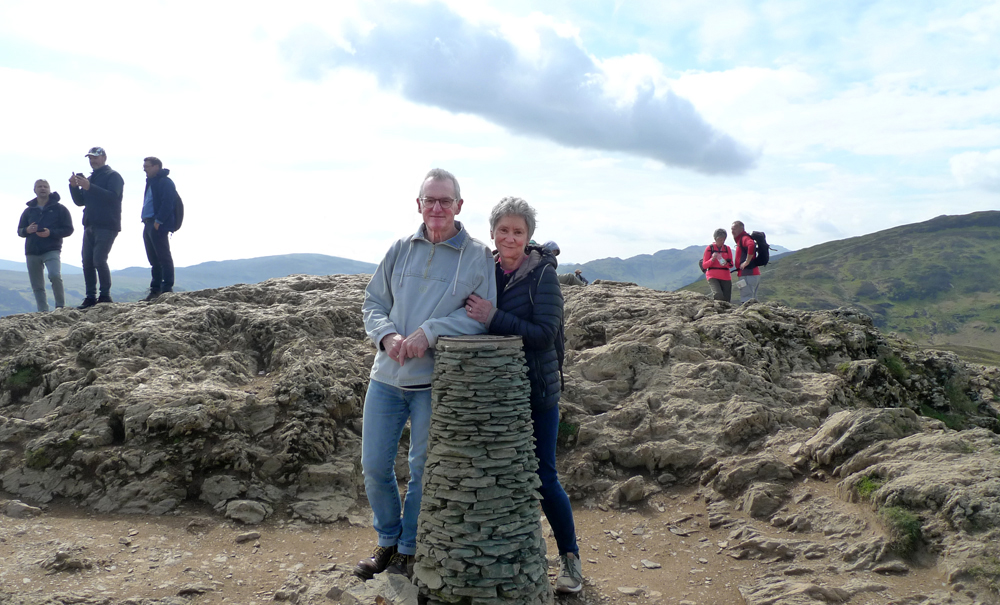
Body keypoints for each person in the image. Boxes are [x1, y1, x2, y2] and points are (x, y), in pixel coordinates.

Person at [354, 168, 497, 580]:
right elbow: (373, 302)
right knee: (375, 466)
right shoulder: (400, 249)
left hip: (433, 382)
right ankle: (387, 540)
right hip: (385, 376)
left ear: (459, 205)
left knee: (422, 469)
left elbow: (479, 317)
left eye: (445, 201)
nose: (437, 208)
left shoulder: (476, 255)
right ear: (418, 204)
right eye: (429, 200)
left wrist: (430, 332)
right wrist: (386, 336)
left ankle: (409, 548)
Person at [465, 197, 585, 594]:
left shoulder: (542, 276)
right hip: (496, 395)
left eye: (518, 231)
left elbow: (544, 335)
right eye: (504, 230)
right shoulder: (486, 270)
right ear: (493, 233)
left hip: (537, 391)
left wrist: (493, 317)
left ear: (528, 236)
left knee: (544, 475)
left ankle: (570, 559)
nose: (510, 237)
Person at [69, 146, 123, 308]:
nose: (93, 161)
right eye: (90, 158)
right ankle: (90, 297)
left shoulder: (113, 176)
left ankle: (105, 296)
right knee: (87, 262)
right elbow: (80, 202)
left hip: (107, 225)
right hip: (90, 224)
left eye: (95, 157)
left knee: (99, 259)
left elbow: (113, 197)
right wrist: (74, 187)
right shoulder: (91, 179)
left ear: (104, 157)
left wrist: (89, 187)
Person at [17, 180, 74, 311]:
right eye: (39, 186)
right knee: (37, 284)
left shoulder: (60, 209)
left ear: (49, 189)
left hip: (52, 248)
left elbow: (69, 229)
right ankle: (43, 311)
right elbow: (20, 230)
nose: (42, 189)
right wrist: (27, 230)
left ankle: (60, 307)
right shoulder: (28, 211)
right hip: (32, 250)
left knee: (54, 275)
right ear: (34, 190)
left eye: (45, 186)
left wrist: (51, 233)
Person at [140, 157, 178, 301]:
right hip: (148, 222)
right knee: (153, 259)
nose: (145, 169)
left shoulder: (165, 182)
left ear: (157, 167)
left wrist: (159, 221)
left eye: (147, 166)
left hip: (157, 224)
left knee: (163, 257)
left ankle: (167, 289)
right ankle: (155, 290)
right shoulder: (151, 182)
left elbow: (168, 202)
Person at [732, 220, 761, 303]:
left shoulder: (744, 238)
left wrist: (747, 261)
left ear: (741, 229)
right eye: (732, 229)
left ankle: (748, 315)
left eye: (735, 229)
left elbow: (751, 245)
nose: (732, 231)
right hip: (751, 274)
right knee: (752, 298)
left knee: (746, 298)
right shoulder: (741, 239)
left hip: (748, 274)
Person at [703, 228, 733, 302]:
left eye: (724, 239)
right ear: (715, 238)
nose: (722, 241)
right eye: (720, 239)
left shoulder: (727, 248)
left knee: (726, 299)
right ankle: (718, 311)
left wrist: (726, 263)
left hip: (726, 276)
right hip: (712, 276)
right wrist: (712, 260)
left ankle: (726, 312)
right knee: (718, 295)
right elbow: (704, 265)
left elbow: (731, 264)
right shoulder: (709, 248)